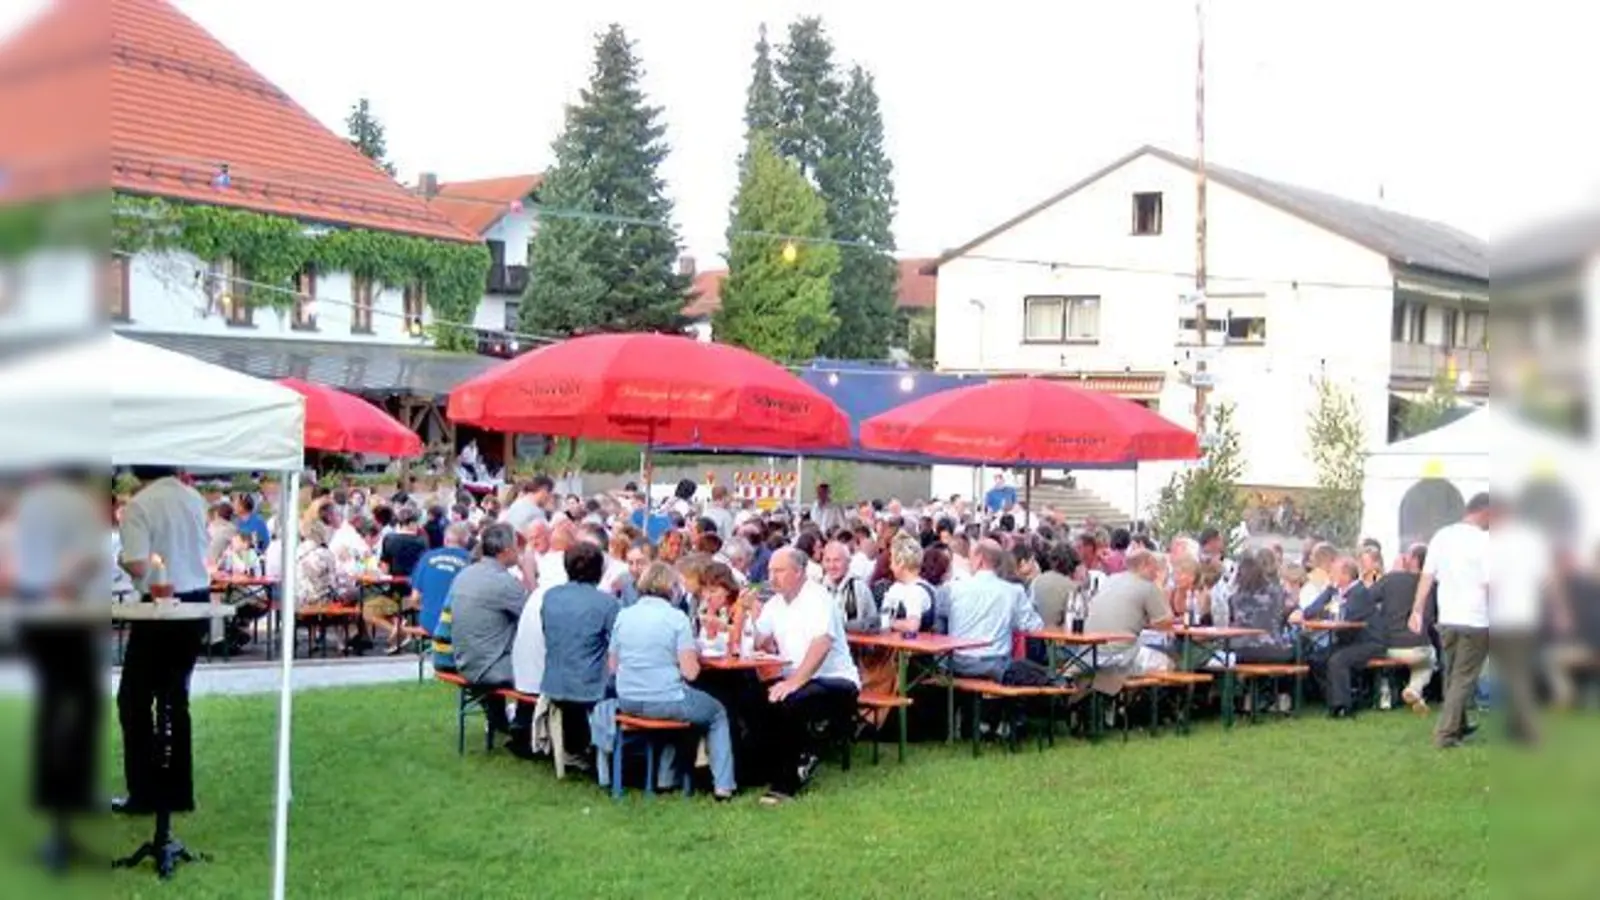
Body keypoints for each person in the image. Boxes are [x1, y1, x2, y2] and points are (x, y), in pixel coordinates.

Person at [114, 465, 211, 820]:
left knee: (135, 699)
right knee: (174, 698)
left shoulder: (140, 505)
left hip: (160, 603)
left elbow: (140, 565)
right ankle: (178, 789)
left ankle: (145, 790)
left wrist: (122, 562)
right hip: (196, 599)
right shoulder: (194, 498)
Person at [611, 561, 737, 800]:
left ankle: (669, 776)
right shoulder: (676, 618)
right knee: (718, 712)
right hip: (666, 700)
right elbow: (691, 673)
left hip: (628, 699)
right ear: (671, 588)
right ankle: (724, 785)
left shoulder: (623, 616)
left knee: (687, 707)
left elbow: (613, 665)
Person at [746, 548, 861, 804]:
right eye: (770, 572)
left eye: (779, 571)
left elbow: (822, 642)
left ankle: (787, 781)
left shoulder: (818, 598)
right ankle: (756, 769)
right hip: (795, 676)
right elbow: (759, 639)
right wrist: (750, 613)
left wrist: (795, 681)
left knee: (791, 700)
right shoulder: (775, 603)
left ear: (798, 573)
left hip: (835, 679)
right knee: (750, 695)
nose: (772, 578)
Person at [1409, 493, 1495, 748]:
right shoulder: (1485, 541)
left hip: (1447, 616)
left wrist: (1416, 609)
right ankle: (1445, 734)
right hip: (1475, 618)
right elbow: (1490, 583)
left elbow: (1427, 576)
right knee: (1463, 678)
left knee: (1453, 673)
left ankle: (1459, 725)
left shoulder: (1442, 536)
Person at [448, 523, 533, 753]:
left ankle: (505, 723)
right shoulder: (503, 582)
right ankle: (524, 734)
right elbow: (534, 615)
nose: (519, 551)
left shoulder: (465, 574)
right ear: (506, 550)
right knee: (538, 668)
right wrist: (529, 571)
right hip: (490, 666)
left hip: (464, 660)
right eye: (517, 547)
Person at [540, 541, 620, 767]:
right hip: (589, 686)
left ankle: (579, 747)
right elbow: (619, 644)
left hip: (554, 680)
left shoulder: (551, 596)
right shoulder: (607, 603)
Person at [940, 540, 1043, 680]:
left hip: (957, 663)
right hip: (995, 665)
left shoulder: (952, 589)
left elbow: (940, 616)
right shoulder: (1013, 592)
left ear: (979, 560)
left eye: (971, 558)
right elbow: (1035, 627)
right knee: (1040, 673)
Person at [1300, 557, 1383, 717]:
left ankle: (1342, 707)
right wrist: (1329, 590)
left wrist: (1327, 610)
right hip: (1348, 642)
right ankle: (1332, 698)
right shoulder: (1337, 592)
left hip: (1368, 642)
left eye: (1334, 572)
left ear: (1345, 575)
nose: (1330, 575)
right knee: (1316, 658)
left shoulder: (1360, 593)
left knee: (1338, 660)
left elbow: (1345, 616)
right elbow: (1309, 612)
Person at [1082, 548, 1174, 690]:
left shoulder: (1110, 580)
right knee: (1168, 663)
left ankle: (1122, 702)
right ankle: (1145, 706)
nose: (1156, 574)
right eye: (1155, 569)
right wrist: (1160, 585)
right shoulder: (1148, 586)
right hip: (1119, 657)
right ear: (1145, 564)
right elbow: (1165, 623)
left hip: (1088, 654)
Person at [1373, 543, 1436, 714]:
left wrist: (1391, 574)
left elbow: (1368, 597)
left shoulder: (1392, 579)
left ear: (1414, 559)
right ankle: (1414, 689)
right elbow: (1432, 618)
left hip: (1391, 647)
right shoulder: (1431, 584)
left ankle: (1410, 691)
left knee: (1423, 661)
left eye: (1406, 555)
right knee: (1428, 661)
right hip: (1419, 647)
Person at [1227, 549, 1297, 664]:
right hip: (1274, 648)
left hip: (1244, 649)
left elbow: (1230, 621)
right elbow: (1289, 610)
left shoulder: (1234, 598)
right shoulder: (1278, 592)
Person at [409, 522, 472, 636]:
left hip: (430, 623)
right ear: (466, 542)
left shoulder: (427, 557)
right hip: (461, 624)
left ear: (445, 540)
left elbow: (414, 599)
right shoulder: (472, 560)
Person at [820, 539, 881, 633]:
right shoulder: (818, 588)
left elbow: (873, 622)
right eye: (827, 560)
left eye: (837, 560)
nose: (832, 566)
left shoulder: (859, 587)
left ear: (848, 562)